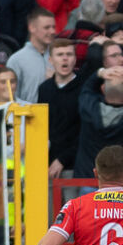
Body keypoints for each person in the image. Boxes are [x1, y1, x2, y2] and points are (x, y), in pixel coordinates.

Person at [38, 38, 83, 203]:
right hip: (48, 165)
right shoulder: (44, 89)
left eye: (69, 54)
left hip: (75, 166)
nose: (65, 58)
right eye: (60, 54)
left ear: (75, 59)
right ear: (51, 60)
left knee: (73, 217)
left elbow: (85, 130)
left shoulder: (84, 87)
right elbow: (42, 127)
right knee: (49, 219)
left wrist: (63, 160)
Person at [6, 6, 56, 103]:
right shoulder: (16, 60)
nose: (52, 31)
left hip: (57, 116)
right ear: (32, 28)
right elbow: (10, 96)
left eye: (53, 27)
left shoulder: (60, 56)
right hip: (28, 116)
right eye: (47, 27)